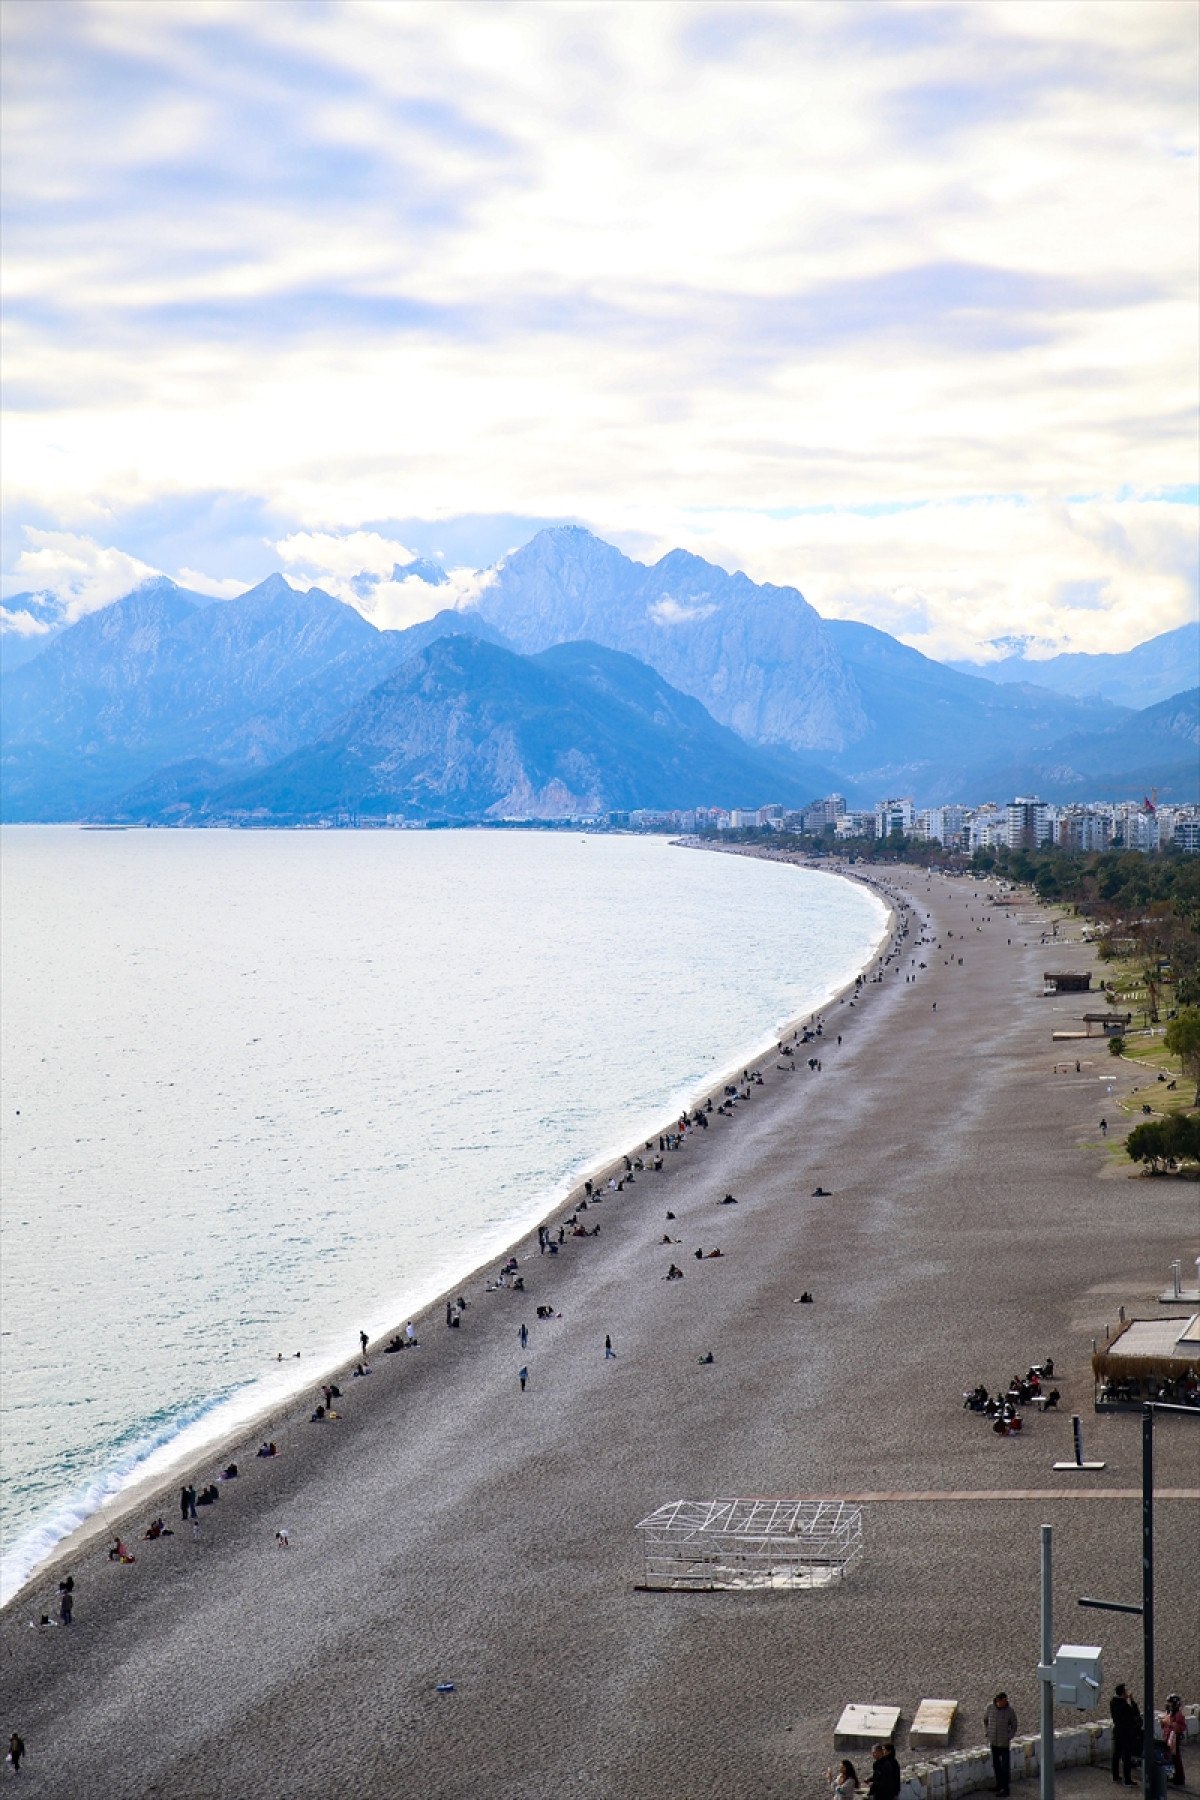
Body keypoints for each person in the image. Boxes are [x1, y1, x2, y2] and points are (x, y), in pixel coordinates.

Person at [985, 1693, 1018, 1796]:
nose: (1003, 1703)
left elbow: (1014, 1725)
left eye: (1004, 1701)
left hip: (1003, 1743)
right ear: (998, 1700)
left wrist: (1009, 1736)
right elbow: (985, 1720)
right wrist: (988, 1732)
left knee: (1005, 1767)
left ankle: (1005, 1788)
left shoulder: (1010, 1711)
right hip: (994, 1742)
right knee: (996, 1765)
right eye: (1001, 1701)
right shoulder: (990, 1708)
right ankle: (998, 1785)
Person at [1111, 1684, 1138, 1786]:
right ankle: (1127, 1780)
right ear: (1123, 1693)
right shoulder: (1124, 1705)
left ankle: (1115, 1776)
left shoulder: (1113, 1702)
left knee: (1116, 1754)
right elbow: (1135, 1712)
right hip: (1126, 1732)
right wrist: (1131, 1700)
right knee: (1127, 1756)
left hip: (1117, 1730)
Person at [1161, 1695, 1186, 1788]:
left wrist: (1171, 1724)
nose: (1168, 1704)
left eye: (1170, 1703)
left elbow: (1181, 1726)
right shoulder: (1170, 1712)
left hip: (1174, 1738)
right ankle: (1171, 1775)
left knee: (1176, 1759)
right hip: (1168, 1737)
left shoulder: (1178, 1714)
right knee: (1169, 1758)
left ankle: (1179, 1778)